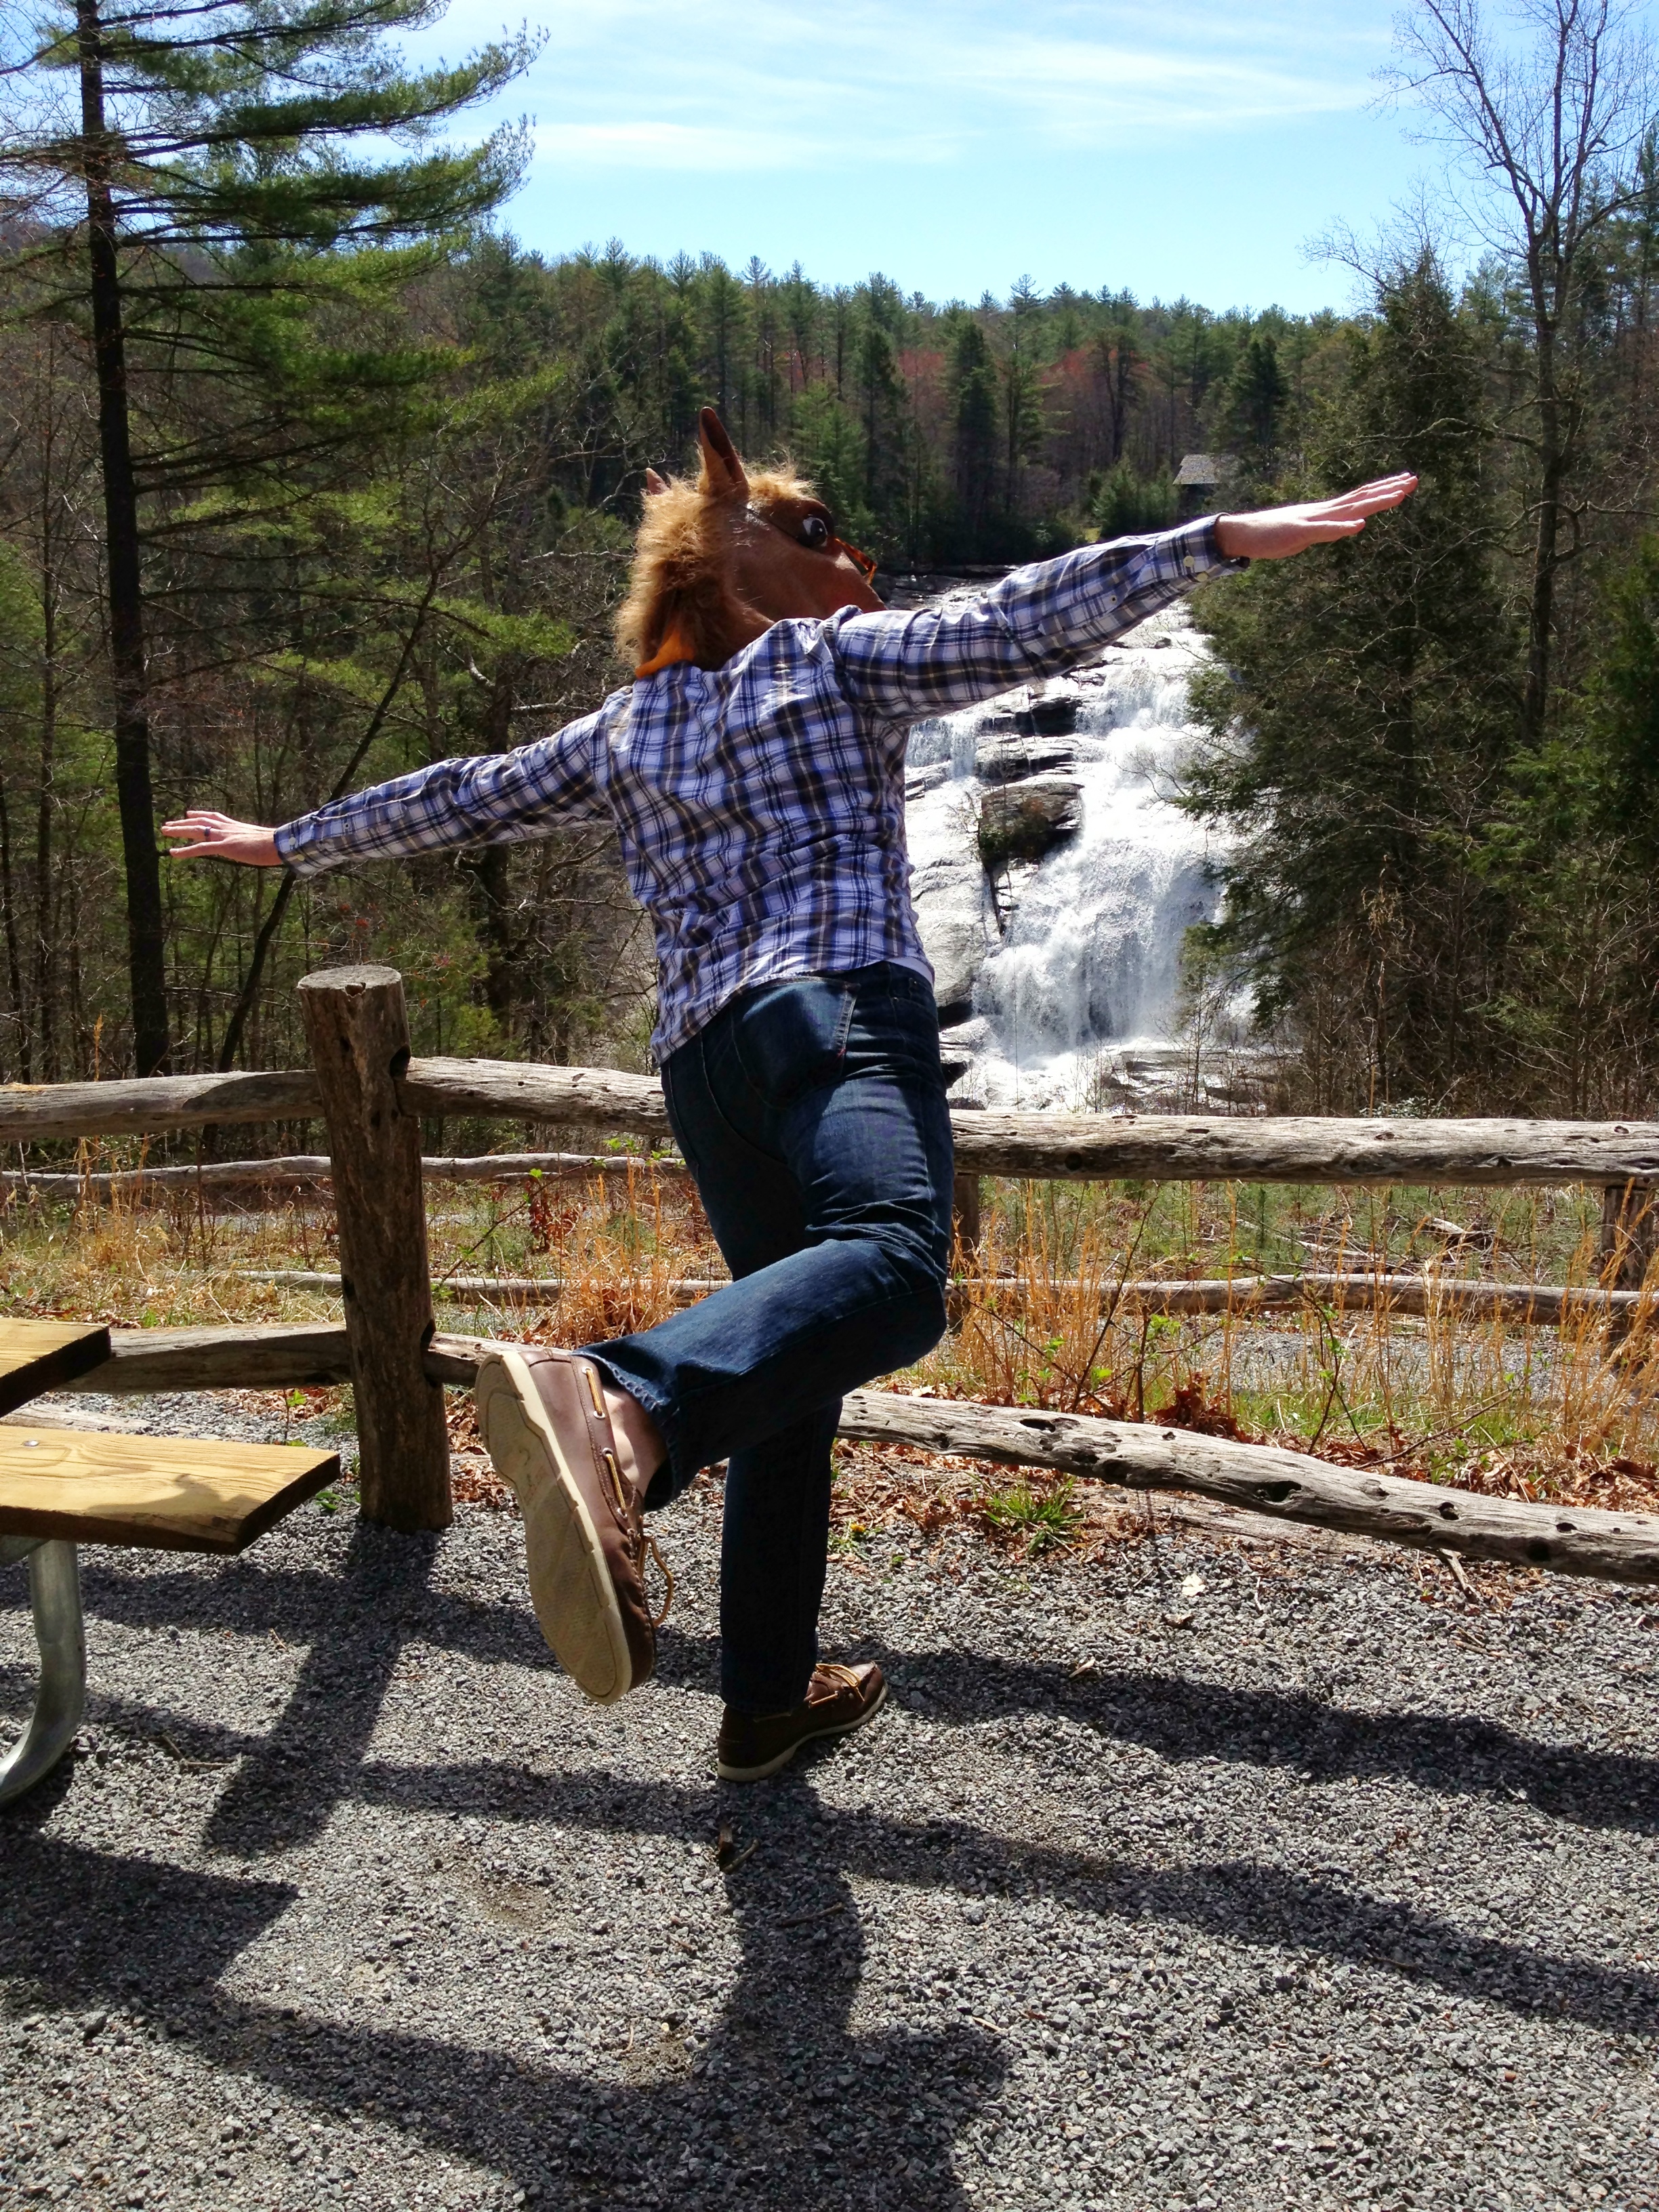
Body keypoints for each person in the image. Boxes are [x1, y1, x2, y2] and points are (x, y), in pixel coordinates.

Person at [167, 411, 1414, 1782]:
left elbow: (466, 797)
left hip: (707, 1069)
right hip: (832, 1007)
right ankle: (622, 1402)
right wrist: (1215, 540)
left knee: (789, 1378)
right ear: (729, 551)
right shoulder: (834, 662)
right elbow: (1018, 620)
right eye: (820, 533)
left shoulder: (624, 729)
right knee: (897, 1268)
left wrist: (291, 841)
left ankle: (764, 1701)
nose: (853, 561)